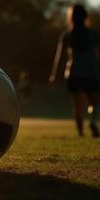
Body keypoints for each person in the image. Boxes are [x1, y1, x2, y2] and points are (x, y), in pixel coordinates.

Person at [49, 4, 100, 138]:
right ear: (85, 17)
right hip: (90, 72)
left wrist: (54, 75)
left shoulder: (67, 35)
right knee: (94, 102)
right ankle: (93, 121)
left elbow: (59, 58)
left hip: (74, 73)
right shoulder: (93, 34)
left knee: (78, 107)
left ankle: (81, 133)